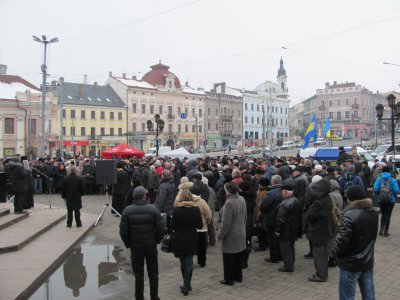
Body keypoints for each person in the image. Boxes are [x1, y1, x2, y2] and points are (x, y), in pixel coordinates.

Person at [333, 186, 378, 300]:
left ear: (349, 199)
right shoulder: (373, 213)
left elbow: (342, 241)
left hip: (351, 263)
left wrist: (335, 253)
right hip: (367, 259)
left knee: (347, 296)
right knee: (369, 295)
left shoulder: (349, 215)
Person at [119, 186, 164, 300]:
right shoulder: (153, 210)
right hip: (150, 245)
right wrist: (156, 240)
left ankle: (139, 297)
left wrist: (128, 243)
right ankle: (154, 296)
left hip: (136, 246)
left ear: (134, 196)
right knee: (153, 273)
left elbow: (123, 231)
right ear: (145, 196)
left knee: (138, 275)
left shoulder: (127, 211)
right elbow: (161, 229)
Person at [172, 190, 203, 296]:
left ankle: (186, 284)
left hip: (179, 237)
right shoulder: (196, 209)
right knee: (189, 261)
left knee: (182, 261)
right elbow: (200, 225)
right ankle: (187, 284)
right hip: (191, 237)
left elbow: (173, 226)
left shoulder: (176, 209)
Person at [303, 177, 333, 282]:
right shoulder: (328, 198)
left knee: (319, 255)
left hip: (318, 231)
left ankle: (321, 275)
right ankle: (321, 273)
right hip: (324, 230)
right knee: (323, 254)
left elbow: (309, 215)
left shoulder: (319, 203)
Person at [217, 182, 247, 286]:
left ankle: (229, 279)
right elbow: (245, 216)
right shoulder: (241, 199)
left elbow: (226, 223)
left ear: (228, 191)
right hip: (241, 232)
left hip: (231, 235)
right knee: (238, 256)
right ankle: (238, 277)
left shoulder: (229, 203)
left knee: (228, 257)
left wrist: (220, 235)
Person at [275, 183, 301, 272]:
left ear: (285, 192)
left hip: (285, 230)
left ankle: (288, 266)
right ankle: (291, 262)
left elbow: (280, 220)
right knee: (291, 247)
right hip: (293, 228)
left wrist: (278, 230)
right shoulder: (296, 200)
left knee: (285, 249)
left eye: (282, 192)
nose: (281, 194)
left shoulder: (284, 204)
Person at [373, 165, 399, 236]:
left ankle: (381, 229)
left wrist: (379, 193)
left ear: (382, 171)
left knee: (383, 214)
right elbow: (396, 190)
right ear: (389, 171)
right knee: (388, 215)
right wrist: (393, 194)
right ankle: (385, 231)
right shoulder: (393, 179)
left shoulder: (379, 179)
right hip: (391, 200)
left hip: (381, 200)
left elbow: (375, 189)